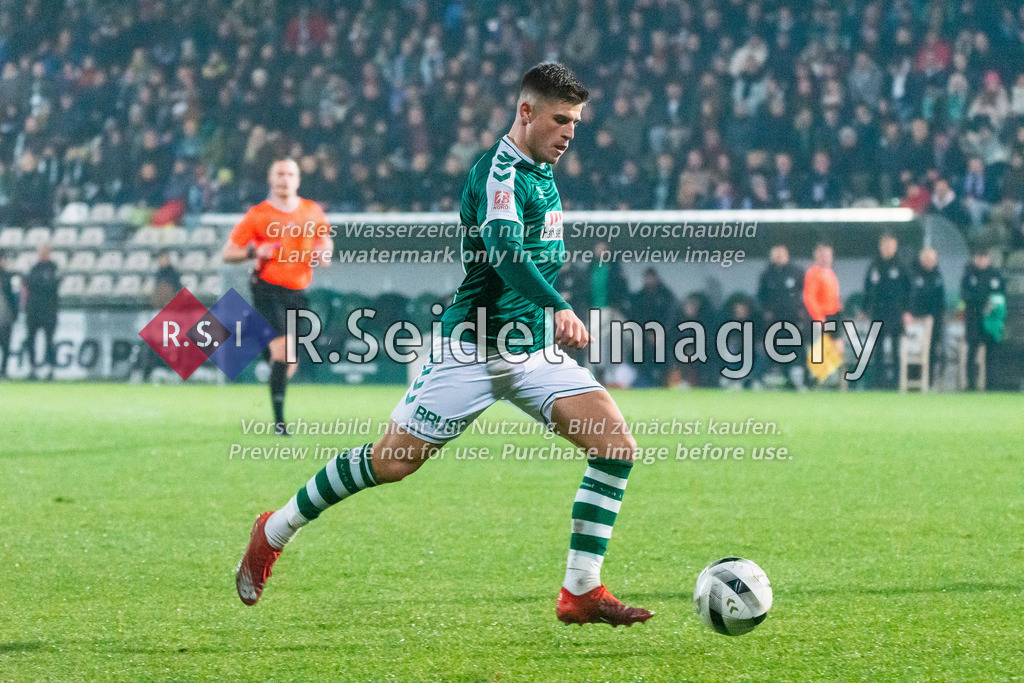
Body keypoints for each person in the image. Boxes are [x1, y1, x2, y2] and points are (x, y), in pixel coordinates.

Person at [234, 63, 653, 627]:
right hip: (472, 351)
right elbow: (505, 255)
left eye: (576, 122)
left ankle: (580, 590)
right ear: (525, 112)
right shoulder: (498, 173)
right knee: (391, 463)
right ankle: (274, 529)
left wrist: (545, 309)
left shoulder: (542, 168)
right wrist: (558, 305)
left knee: (616, 446)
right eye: (560, 120)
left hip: (530, 353)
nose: (570, 132)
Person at [222, 158, 333, 434]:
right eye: (279, 174)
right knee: (283, 351)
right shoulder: (258, 215)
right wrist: (252, 252)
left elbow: (324, 239)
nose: (284, 179)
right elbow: (229, 252)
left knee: (288, 363)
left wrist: (325, 251)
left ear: (298, 180)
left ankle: (259, 342)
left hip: (297, 291)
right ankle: (280, 424)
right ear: (271, 179)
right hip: (267, 288)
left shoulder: (311, 211)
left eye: (290, 174)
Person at [863, 234, 910, 389]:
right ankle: (878, 382)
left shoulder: (901, 266)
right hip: (878, 312)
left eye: (890, 244)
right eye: (884, 244)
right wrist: (864, 309)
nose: (887, 247)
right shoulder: (874, 266)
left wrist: (907, 311)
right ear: (880, 246)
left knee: (896, 348)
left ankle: (896, 382)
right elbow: (867, 289)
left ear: (895, 246)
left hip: (896, 312)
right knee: (879, 349)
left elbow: (909, 290)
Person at [756, 245, 806, 387]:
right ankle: (767, 380)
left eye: (781, 254)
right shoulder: (766, 275)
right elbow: (761, 296)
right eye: (775, 254)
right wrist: (766, 310)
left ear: (787, 255)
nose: (778, 257)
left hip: (793, 320)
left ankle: (797, 382)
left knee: (794, 350)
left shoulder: (796, 272)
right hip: (774, 322)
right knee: (772, 350)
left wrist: (801, 311)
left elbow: (805, 293)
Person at [960, 246, 1005, 391]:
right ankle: (971, 383)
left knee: (992, 353)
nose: (981, 260)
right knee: (972, 352)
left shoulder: (996, 274)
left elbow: (1001, 294)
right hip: (973, 319)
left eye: (984, 257)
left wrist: (993, 303)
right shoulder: (968, 274)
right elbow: (964, 294)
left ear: (989, 258)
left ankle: (992, 384)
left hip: (991, 320)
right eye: (978, 257)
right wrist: (982, 301)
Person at [22, 243, 60, 380]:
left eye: (45, 251)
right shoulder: (33, 268)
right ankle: (32, 368)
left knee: (49, 341)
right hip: (33, 311)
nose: (43, 254)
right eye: (41, 251)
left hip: (49, 312)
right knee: (31, 340)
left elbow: (51, 286)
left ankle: (51, 368)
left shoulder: (54, 268)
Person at [908, 247, 945, 386]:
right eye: (928, 259)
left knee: (931, 351)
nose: (930, 262)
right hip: (916, 321)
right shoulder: (913, 273)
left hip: (934, 321)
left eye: (933, 260)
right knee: (914, 349)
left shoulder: (938, 276)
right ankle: (912, 380)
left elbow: (941, 299)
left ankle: (928, 381)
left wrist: (940, 318)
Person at [0, 250, 17, 378]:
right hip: (5, 316)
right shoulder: (6, 277)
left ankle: (4, 370)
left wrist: (14, 313)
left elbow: (12, 298)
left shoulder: (7, 276)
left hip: (5, 317)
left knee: (6, 346)